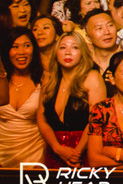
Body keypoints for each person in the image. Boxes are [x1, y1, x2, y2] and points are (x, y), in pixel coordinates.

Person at [37, 30, 106, 167]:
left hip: (84, 154)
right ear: (56, 53)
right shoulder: (48, 81)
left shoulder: (92, 78)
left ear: (82, 53)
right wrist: (57, 148)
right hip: (54, 153)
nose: (68, 52)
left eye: (75, 47)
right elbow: (41, 118)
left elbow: (97, 121)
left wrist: (77, 152)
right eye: (63, 48)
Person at [0, 27, 45, 166]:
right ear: (7, 51)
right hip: (2, 159)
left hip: (35, 160)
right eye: (15, 47)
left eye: (26, 46)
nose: (21, 52)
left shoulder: (44, 79)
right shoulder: (2, 80)